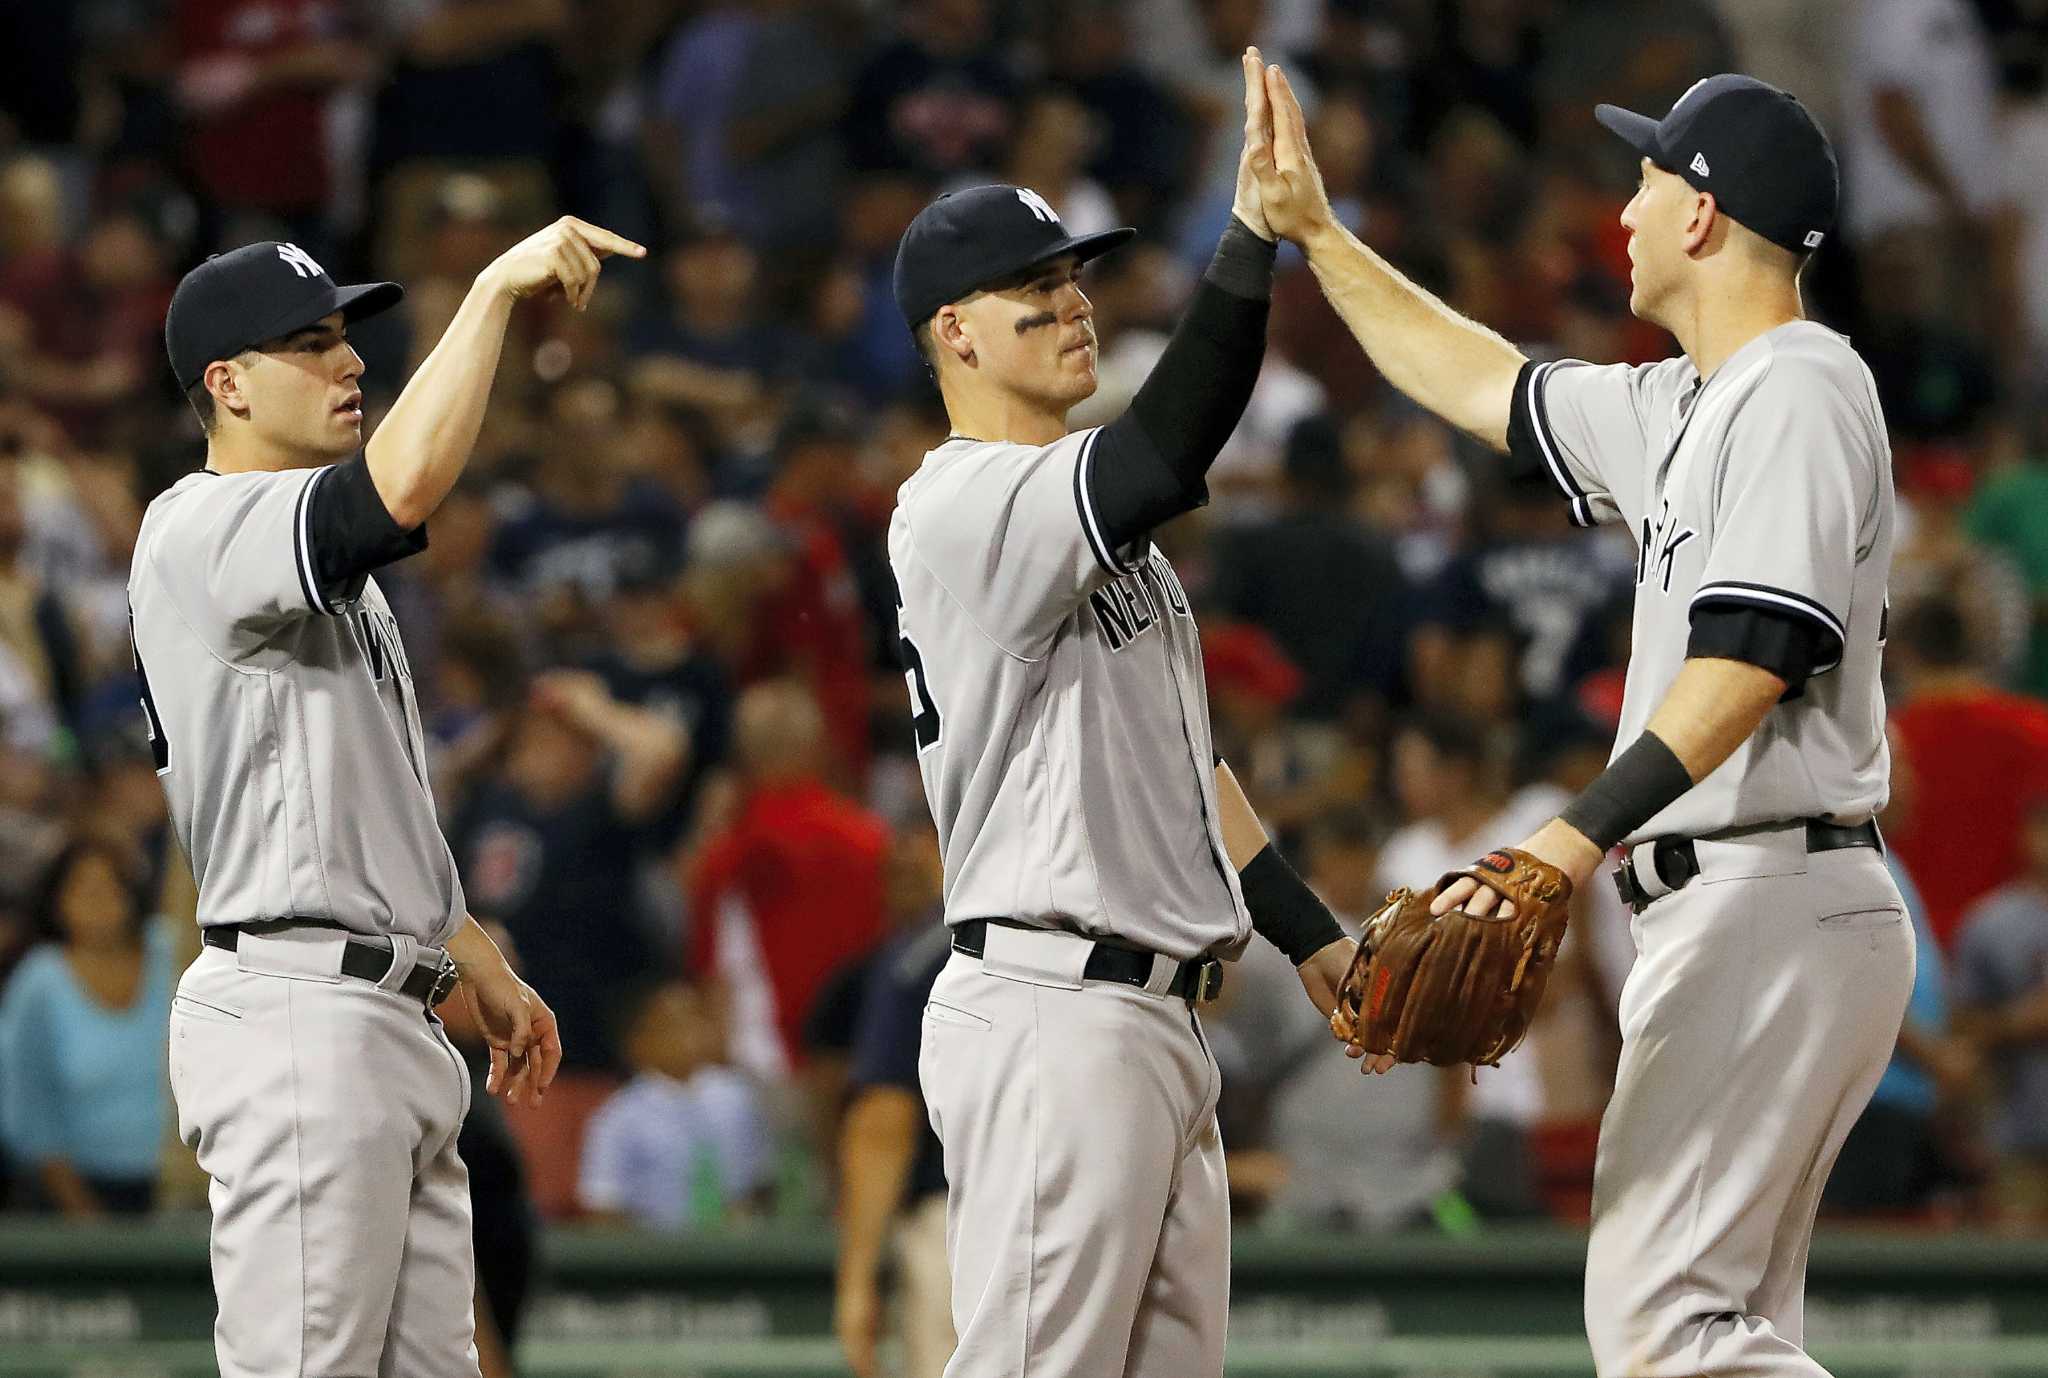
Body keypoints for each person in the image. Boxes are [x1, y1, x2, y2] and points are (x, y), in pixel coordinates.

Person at [1249, 61, 1911, 1377]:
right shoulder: (1687, 401)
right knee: (1719, 1331)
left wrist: (1564, 839)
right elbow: (1480, 378)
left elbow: (1752, 660)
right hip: (1754, 898)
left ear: (1706, 215)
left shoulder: (1795, 386)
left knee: (1659, 1327)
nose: (1623, 209)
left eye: (1648, 178)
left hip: (1765, 890)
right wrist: (1319, 237)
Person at [886, 50, 1354, 1377]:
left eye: (1078, 275)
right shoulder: (964, 502)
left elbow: (1181, 772)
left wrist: (1314, 941)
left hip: (1152, 1020)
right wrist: (1252, 238)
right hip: (1055, 1008)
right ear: (955, 333)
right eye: (1034, 288)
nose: (1072, 304)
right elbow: (1169, 445)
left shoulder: (1109, 549)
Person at [133, 217, 640, 1377]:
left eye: (345, 338)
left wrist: (472, 954)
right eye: (310, 344)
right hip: (299, 1014)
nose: (349, 361)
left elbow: (354, 810)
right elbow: (401, 484)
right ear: (228, 383)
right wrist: (493, 292)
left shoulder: (323, 581)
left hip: (384, 1018)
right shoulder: (204, 526)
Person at [834, 821, 954, 1378]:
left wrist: (857, 1281)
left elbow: (884, 1122)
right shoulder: (1075, 938)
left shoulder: (921, 957)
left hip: (960, 1228)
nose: (900, 862)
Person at [0, 836, 173, 1215]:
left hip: (186, 1184)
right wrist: (87, 1221)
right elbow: (28, 1111)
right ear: (57, 900)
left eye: (110, 886)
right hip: (74, 1195)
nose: (98, 902)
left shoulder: (172, 955)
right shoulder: (38, 984)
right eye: (83, 889)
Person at [577, 979, 772, 1230]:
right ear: (638, 1042)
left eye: (695, 1020)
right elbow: (602, 1205)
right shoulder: (618, 1117)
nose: (687, 1035)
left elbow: (763, 1184)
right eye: (670, 1026)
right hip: (654, 1258)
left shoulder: (738, 1098)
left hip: (734, 1254)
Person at [1952, 793, 2048, 1230]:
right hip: (2019, 1132)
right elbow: (1963, 1029)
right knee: (2018, 1252)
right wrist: (2019, 1021)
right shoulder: (1992, 920)